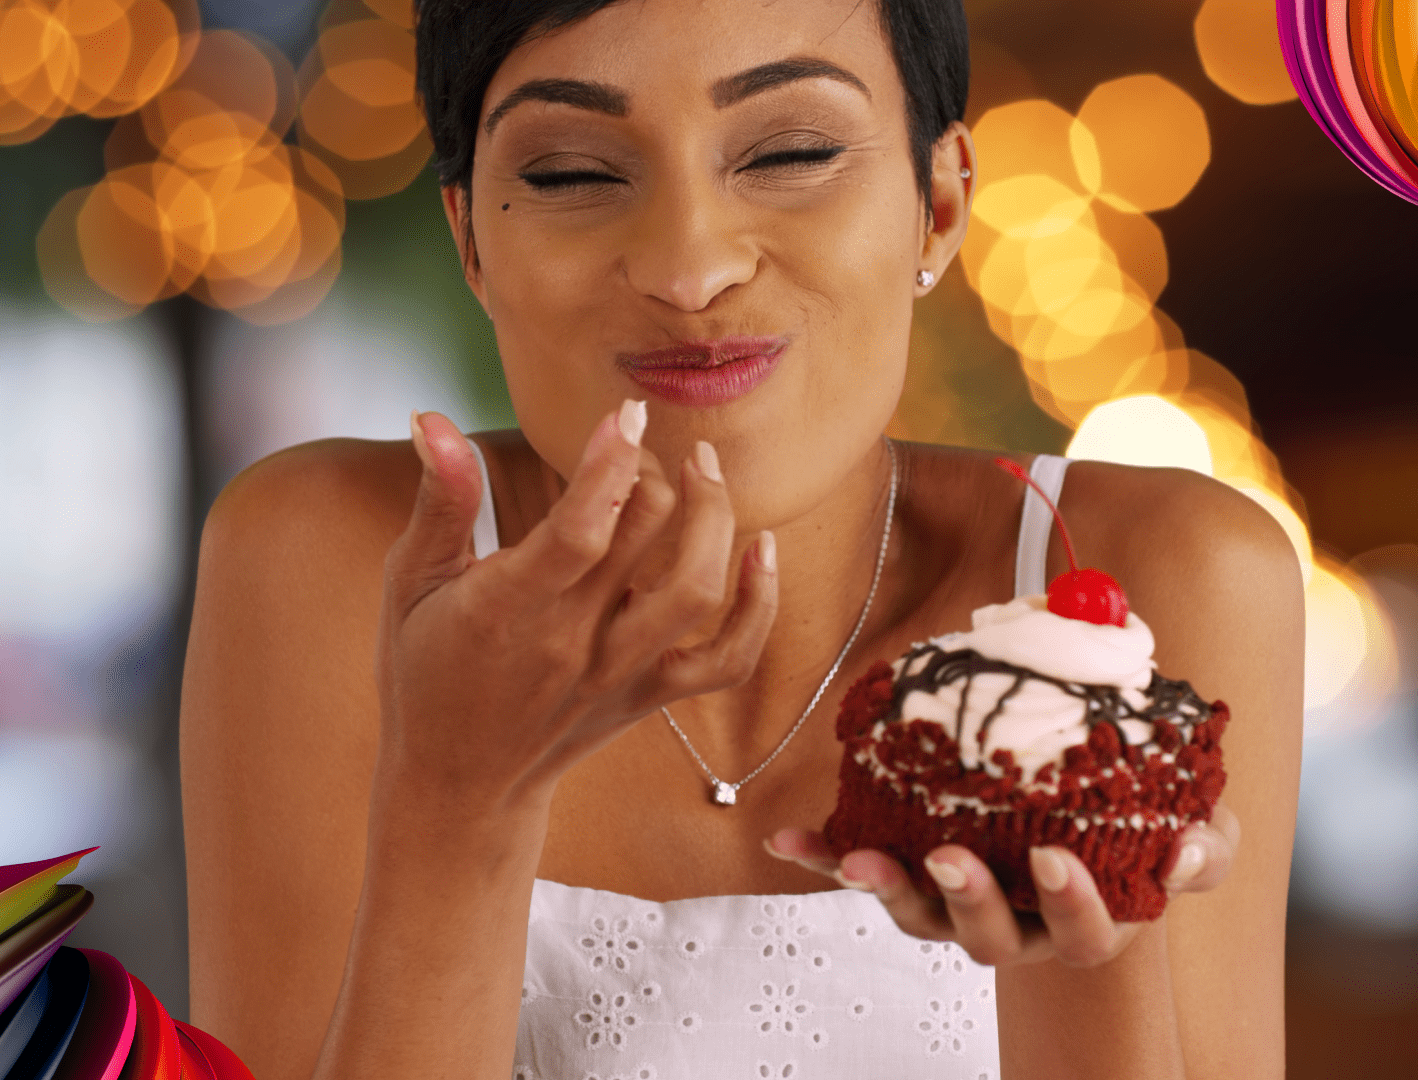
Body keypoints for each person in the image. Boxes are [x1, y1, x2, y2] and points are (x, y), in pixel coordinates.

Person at [178, 1, 1304, 1077]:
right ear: (470, 237)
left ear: (942, 204)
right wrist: (459, 794)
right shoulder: (328, 558)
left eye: (791, 153)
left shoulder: (1169, 578)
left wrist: (1084, 928)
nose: (689, 268)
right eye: (572, 172)